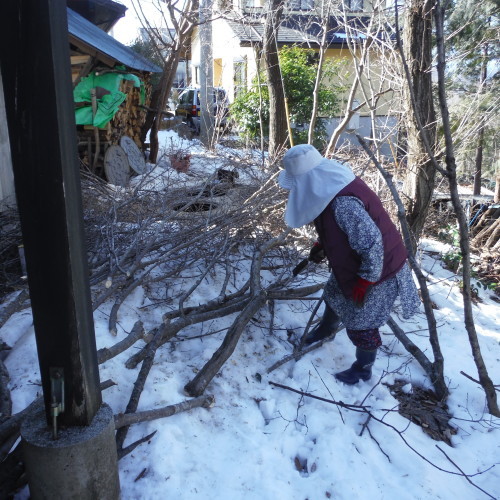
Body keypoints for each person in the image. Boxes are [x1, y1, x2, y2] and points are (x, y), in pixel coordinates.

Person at [278, 144, 420, 385]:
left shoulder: (343, 203)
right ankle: (325, 330)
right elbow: (339, 229)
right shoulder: (329, 189)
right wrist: (321, 245)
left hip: (379, 269)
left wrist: (366, 280)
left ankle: (363, 367)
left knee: (362, 322)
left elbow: (373, 243)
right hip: (358, 262)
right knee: (334, 293)